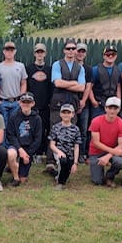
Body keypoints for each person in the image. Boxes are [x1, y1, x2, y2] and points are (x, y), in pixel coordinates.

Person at [45, 39, 85, 174]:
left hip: (72, 103)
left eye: (73, 48)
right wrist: (73, 83)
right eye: (68, 48)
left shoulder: (80, 68)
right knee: (54, 131)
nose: (71, 51)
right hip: (57, 103)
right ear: (64, 50)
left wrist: (67, 83)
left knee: (71, 132)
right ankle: (50, 162)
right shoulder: (57, 64)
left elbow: (82, 87)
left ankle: (68, 160)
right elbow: (57, 83)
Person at [88, 96, 122, 187]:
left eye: (115, 108)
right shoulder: (96, 121)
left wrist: (108, 156)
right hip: (96, 152)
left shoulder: (121, 124)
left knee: (120, 162)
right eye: (110, 108)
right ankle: (99, 175)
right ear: (105, 108)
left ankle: (109, 176)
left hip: (111, 152)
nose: (112, 111)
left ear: (119, 109)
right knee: (97, 181)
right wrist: (113, 151)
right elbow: (96, 142)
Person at [6, 92, 42, 186]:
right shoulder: (13, 117)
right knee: (10, 154)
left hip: (29, 148)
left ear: (32, 103)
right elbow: (10, 135)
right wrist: (20, 149)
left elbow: (38, 139)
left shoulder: (37, 119)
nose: (26, 104)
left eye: (28, 102)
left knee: (24, 179)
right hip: (17, 146)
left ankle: (16, 169)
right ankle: (15, 178)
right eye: (24, 102)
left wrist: (28, 154)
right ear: (19, 103)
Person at [26, 42, 52, 159]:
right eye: (37, 52)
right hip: (32, 105)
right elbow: (26, 86)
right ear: (34, 53)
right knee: (31, 129)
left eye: (41, 52)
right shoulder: (29, 68)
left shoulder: (49, 69)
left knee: (43, 129)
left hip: (46, 105)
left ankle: (41, 152)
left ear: (45, 53)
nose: (39, 54)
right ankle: (32, 152)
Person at [48, 103, 81, 190]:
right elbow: (52, 145)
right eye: (64, 112)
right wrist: (59, 152)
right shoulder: (55, 127)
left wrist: (75, 163)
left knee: (67, 169)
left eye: (68, 112)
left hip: (70, 153)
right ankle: (60, 183)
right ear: (60, 114)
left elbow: (76, 146)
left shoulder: (76, 129)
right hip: (59, 152)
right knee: (63, 162)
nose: (66, 115)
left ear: (73, 114)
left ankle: (54, 172)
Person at [0, 41, 27, 129]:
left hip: (16, 102)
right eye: (7, 50)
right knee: (2, 126)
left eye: (11, 50)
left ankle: (13, 143)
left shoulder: (20, 66)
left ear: (15, 51)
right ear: (4, 52)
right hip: (3, 101)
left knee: (15, 125)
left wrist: (21, 99)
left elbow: (23, 83)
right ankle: (3, 143)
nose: (9, 52)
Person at [90, 45, 121, 119]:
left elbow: (118, 87)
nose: (110, 56)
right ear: (104, 56)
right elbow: (89, 87)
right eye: (108, 54)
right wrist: (93, 101)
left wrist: (118, 101)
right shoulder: (96, 69)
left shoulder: (118, 70)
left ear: (116, 56)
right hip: (99, 104)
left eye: (113, 54)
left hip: (113, 104)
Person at [75, 42, 93, 164]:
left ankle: (82, 153)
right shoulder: (70, 66)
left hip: (84, 104)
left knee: (83, 131)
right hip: (71, 102)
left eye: (83, 51)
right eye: (79, 51)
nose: (80, 53)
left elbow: (88, 86)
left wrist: (83, 101)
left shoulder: (88, 69)